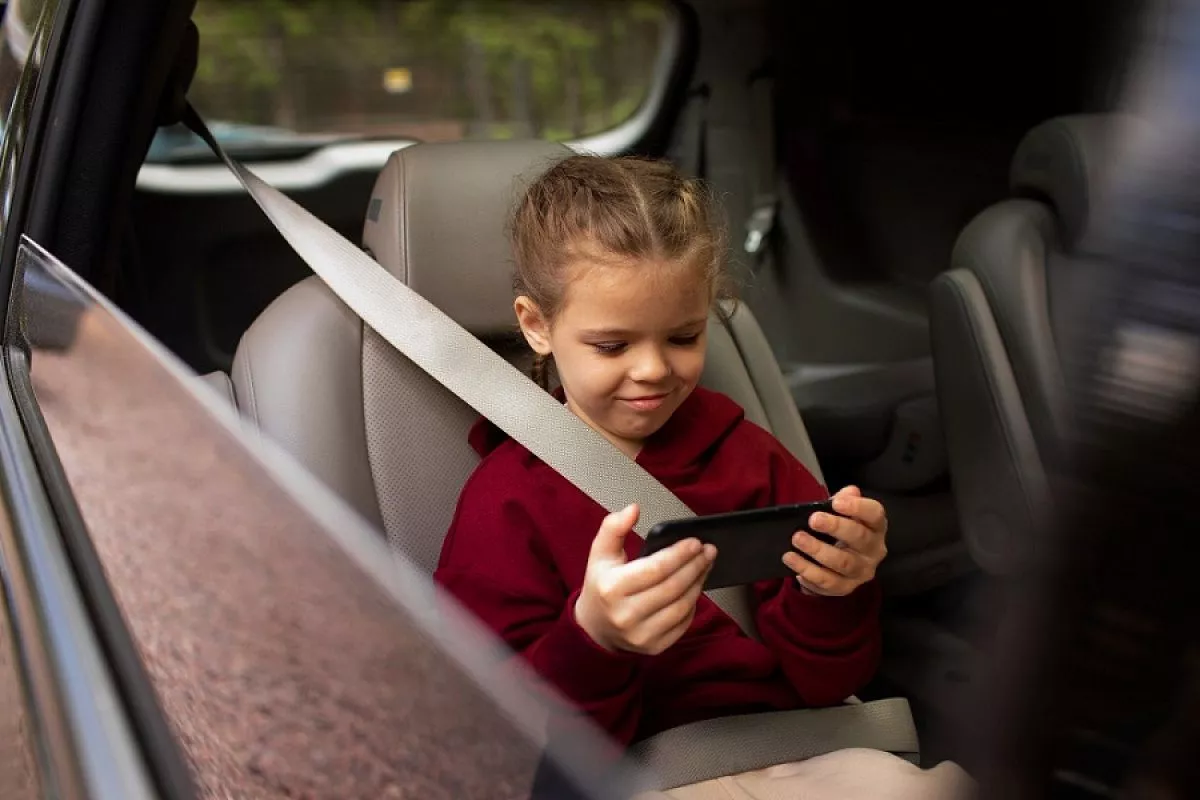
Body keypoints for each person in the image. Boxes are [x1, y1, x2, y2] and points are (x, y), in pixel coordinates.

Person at [434, 155, 973, 799]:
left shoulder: (750, 455)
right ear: (536, 325)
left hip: (799, 754)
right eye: (612, 346)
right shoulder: (505, 501)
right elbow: (497, 741)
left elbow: (830, 681)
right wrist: (594, 639)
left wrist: (833, 590)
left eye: (684, 337)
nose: (654, 370)